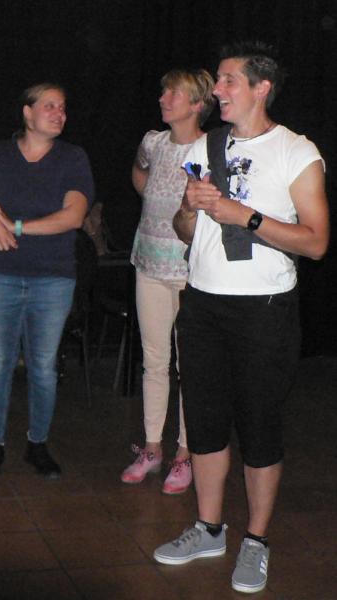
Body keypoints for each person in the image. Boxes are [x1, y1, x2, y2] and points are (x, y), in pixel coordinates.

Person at [153, 42, 329, 594]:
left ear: (261, 88)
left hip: (264, 310)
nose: (218, 90)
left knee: (259, 428)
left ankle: (255, 539)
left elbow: (316, 242)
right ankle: (209, 529)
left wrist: (245, 216)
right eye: (218, 81)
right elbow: (186, 232)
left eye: (228, 80)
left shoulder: (296, 151)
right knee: (204, 424)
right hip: (203, 303)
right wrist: (190, 208)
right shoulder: (204, 145)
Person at [0, 83, 94, 479]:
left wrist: (14, 226)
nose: (59, 113)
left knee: (43, 365)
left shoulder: (72, 157)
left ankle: (38, 443)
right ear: (27, 112)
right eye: (49, 106)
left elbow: (73, 217)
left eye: (63, 107)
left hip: (52, 278)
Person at [122, 69, 215, 494]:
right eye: (163, 91)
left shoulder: (207, 149)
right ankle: (152, 448)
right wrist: (151, 195)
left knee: (188, 365)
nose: (163, 98)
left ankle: (185, 454)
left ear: (197, 104)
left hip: (190, 271)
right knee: (154, 360)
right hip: (148, 265)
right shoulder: (153, 142)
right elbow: (140, 172)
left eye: (173, 93)